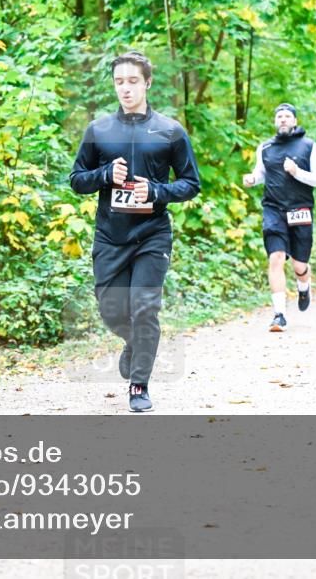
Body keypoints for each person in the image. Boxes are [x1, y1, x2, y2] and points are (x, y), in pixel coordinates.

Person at [70, 51, 201, 412]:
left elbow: (191, 184)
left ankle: (139, 385)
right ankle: (134, 343)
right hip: (110, 237)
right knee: (112, 311)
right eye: (118, 82)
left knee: (145, 309)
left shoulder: (170, 131)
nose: (125, 89)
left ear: (147, 83)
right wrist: (103, 175)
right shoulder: (98, 130)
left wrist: (157, 191)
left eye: (132, 81)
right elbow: (77, 181)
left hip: (152, 234)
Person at [243, 103, 316, 331]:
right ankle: (279, 315)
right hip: (273, 210)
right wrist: (252, 179)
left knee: (300, 264)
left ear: (294, 121)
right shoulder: (265, 147)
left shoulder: (309, 146)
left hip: (300, 209)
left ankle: (304, 285)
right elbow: (261, 173)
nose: (282, 119)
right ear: (275, 121)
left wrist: (296, 172)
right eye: (279, 116)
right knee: (276, 257)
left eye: (287, 116)